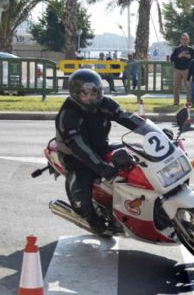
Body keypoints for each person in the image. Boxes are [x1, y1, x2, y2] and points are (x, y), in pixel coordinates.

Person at [55, 69, 145, 236]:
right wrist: (101, 167)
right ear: (75, 94)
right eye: (85, 94)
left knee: (138, 155)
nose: (91, 97)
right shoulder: (69, 115)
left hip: (101, 147)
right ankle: (91, 219)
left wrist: (151, 132)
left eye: (94, 92)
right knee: (82, 197)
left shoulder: (104, 103)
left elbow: (125, 116)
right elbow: (79, 147)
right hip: (75, 158)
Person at [170, 33, 194, 105]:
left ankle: (189, 102)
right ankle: (176, 102)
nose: (184, 41)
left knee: (188, 87)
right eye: (183, 39)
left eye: (186, 39)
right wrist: (179, 56)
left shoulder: (191, 49)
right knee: (176, 87)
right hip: (177, 70)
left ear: (188, 40)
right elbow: (172, 59)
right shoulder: (176, 49)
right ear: (180, 40)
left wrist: (189, 57)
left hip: (187, 70)